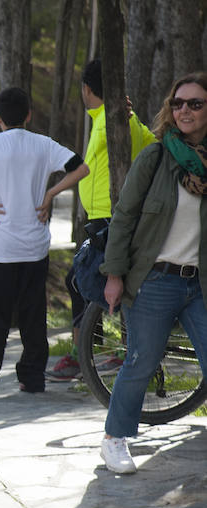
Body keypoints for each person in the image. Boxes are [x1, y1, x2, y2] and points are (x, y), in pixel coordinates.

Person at [99, 72, 207, 474]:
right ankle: (114, 439)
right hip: (155, 280)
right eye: (178, 103)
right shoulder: (157, 157)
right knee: (141, 361)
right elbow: (123, 217)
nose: (184, 111)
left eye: (195, 103)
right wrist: (114, 274)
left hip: (199, 283)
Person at [0, 87, 89, 396]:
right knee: (32, 315)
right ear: (28, 115)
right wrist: (52, 193)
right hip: (34, 246)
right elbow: (81, 168)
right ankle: (33, 378)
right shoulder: (44, 145)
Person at [47, 59, 158, 380]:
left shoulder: (115, 121)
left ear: (86, 89)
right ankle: (111, 353)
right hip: (101, 219)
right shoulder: (105, 119)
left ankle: (86, 356)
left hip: (113, 218)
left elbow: (152, 146)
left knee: (80, 281)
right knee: (88, 283)